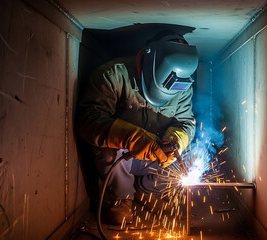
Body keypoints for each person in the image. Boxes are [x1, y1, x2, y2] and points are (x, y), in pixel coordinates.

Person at [76, 30, 198, 225]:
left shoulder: (183, 87)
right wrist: (131, 138)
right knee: (106, 149)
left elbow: (186, 123)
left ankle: (148, 193)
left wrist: (176, 139)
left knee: (193, 156)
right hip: (122, 159)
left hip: (156, 157)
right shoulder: (113, 74)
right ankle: (121, 197)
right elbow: (88, 120)